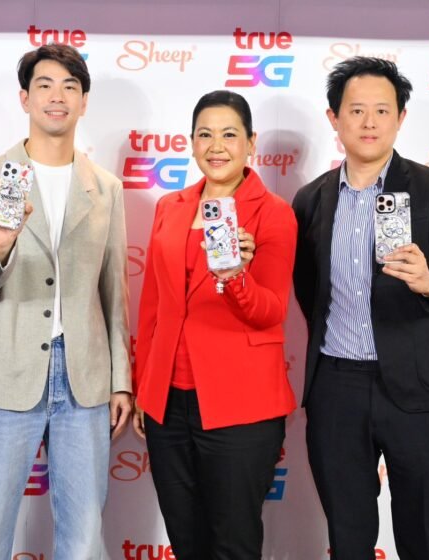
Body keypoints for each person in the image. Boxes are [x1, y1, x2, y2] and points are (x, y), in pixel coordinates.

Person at [291, 57, 429, 560]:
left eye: (382, 110)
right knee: (348, 539)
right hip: (336, 390)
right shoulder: (310, 199)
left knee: (422, 537)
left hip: (419, 389)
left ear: (400, 117)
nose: (369, 122)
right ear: (334, 118)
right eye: (356, 110)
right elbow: (308, 290)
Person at [0, 43, 132, 559]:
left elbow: (114, 292)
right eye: (45, 86)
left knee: (84, 538)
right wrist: (0, 244)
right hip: (5, 374)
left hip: (84, 379)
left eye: (69, 87)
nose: (57, 97)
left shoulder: (106, 188)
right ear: (25, 98)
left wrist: (121, 379)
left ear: (84, 101)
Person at [133, 90, 297, 560]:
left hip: (241, 407)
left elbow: (270, 311)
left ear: (250, 143)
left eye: (229, 134)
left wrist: (236, 278)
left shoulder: (273, 213)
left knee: (234, 544)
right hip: (168, 405)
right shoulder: (170, 206)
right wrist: (146, 385)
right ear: (191, 143)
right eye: (205, 134)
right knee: (186, 540)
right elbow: (154, 306)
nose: (216, 146)